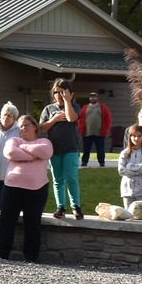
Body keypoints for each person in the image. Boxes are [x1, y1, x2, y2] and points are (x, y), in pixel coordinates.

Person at [0, 115, 53, 263]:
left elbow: (46, 152)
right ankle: (2, 252)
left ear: (34, 126)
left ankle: (31, 256)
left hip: (37, 188)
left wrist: (24, 149)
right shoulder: (13, 141)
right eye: (20, 126)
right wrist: (33, 155)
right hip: (12, 187)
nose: (23, 128)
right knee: (7, 220)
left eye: (26, 125)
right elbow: (10, 153)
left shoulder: (44, 142)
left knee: (32, 222)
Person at [38, 81, 85, 220]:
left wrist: (67, 102)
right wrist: (55, 118)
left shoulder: (74, 106)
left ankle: (76, 206)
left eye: (62, 92)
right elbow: (42, 127)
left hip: (70, 148)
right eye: (56, 92)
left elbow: (71, 118)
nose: (59, 95)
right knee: (58, 179)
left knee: (71, 178)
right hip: (54, 149)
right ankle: (61, 207)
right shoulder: (48, 109)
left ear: (70, 93)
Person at [117, 124, 142, 215]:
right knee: (127, 214)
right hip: (127, 189)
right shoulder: (125, 153)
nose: (136, 139)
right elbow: (121, 170)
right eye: (134, 136)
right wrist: (138, 169)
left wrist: (130, 166)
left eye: (139, 136)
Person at [80, 91, 113, 166]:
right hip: (87, 133)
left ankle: (101, 162)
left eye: (94, 96)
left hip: (99, 133)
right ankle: (84, 162)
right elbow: (80, 119)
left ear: (97, 98)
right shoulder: (85, 107)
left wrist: (106, 128)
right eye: (91, 96)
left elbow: (108, 118)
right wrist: (80, 128)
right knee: (86, 149)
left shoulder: (102, 107)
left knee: (100, 149)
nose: (92, 98)